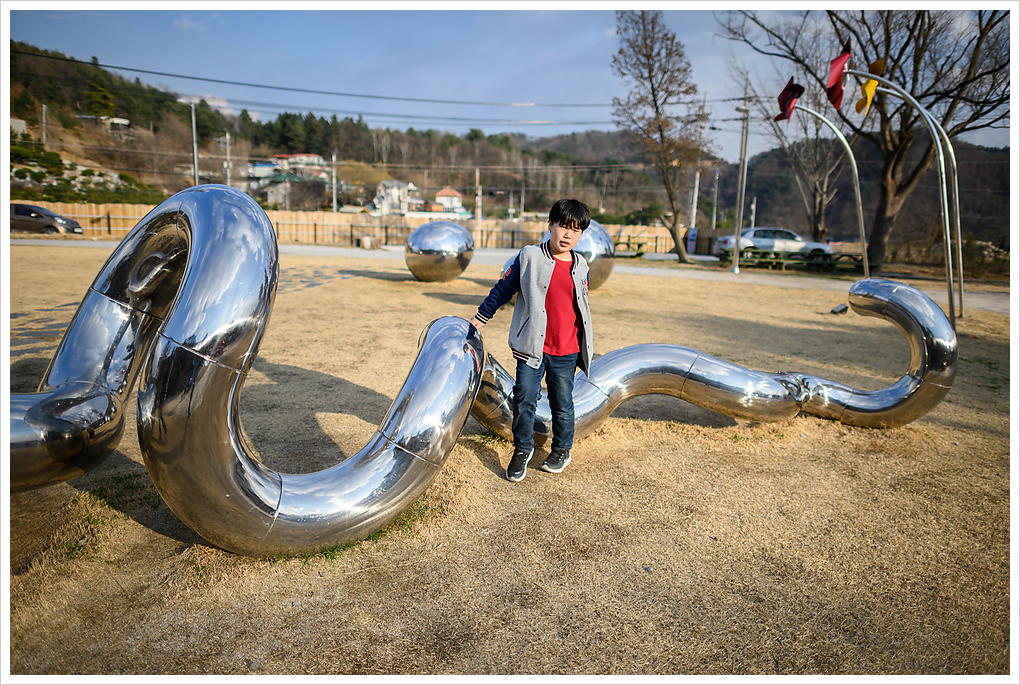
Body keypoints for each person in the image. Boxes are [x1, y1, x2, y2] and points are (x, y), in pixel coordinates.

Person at [469, 198, 594, 482]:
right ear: (550, 225)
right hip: (532, 348)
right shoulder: (529, 257)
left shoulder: (581, 265)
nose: (567, 235)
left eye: (575, 230)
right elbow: (503, 289)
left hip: (567, 350)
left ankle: (561, 449)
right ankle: (522, 449)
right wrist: (481, 317)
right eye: (563, 226)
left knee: (562, 403)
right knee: (525, 399)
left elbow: (580, 306)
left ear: (581, 234)